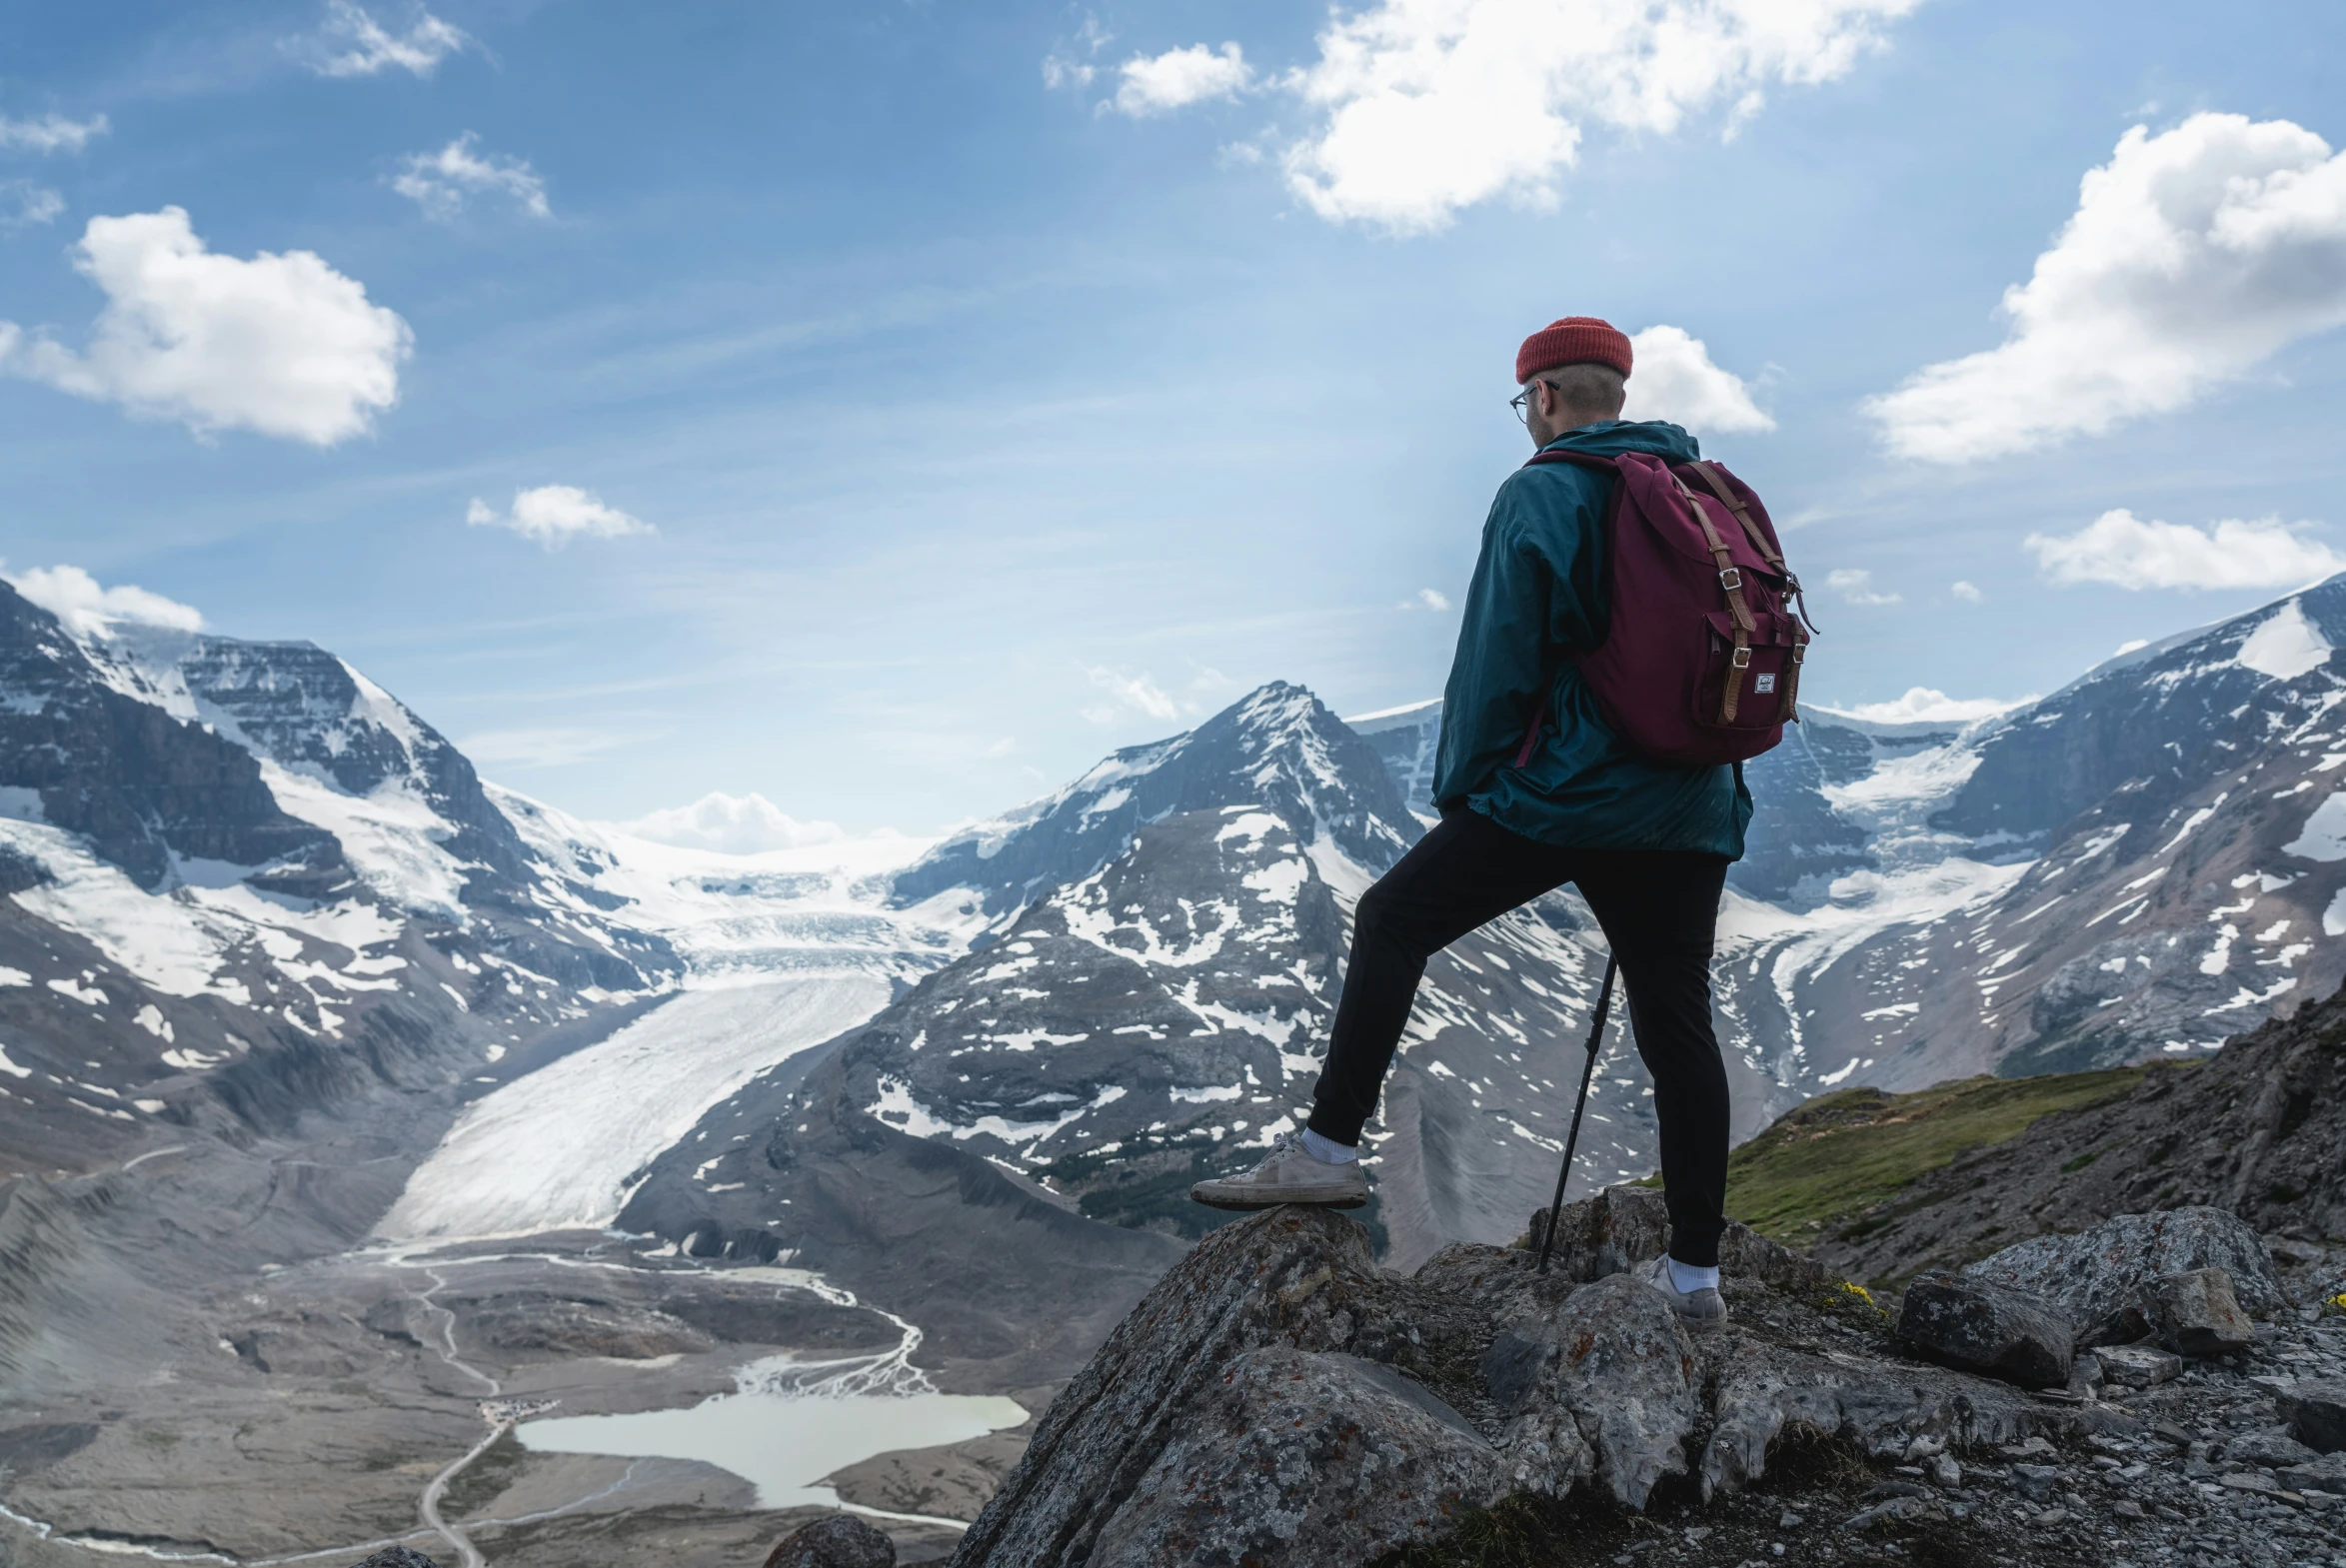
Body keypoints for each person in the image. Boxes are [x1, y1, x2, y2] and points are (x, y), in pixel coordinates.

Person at [1190, 316, 1748, 1330]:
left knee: (1397, 916)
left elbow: (1498, 658)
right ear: (1616, 392)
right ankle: (1696, 1279)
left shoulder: (1543, 488)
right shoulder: (1703, 492)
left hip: (1572, 792)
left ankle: (1323, 1153)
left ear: (1540, 398)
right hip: (1694, 799)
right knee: (1677, 1021)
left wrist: (1468, 794)